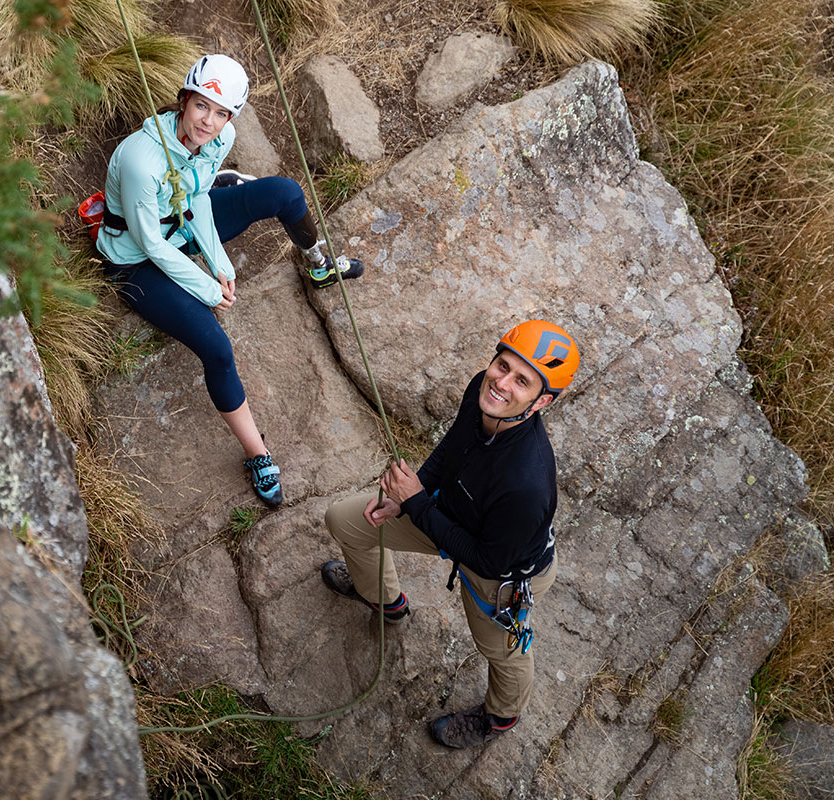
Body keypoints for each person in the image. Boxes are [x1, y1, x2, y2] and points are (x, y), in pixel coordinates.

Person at [96, 54, 363, 505]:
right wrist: (206, 288)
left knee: (285, 192)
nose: (209, 122)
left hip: (180, 220)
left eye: (222, 114)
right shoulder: (142, 160)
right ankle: (258, 454)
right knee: (217, 347)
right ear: (184, 100)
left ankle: (318, 263)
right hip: (134, 259)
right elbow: (149, 246)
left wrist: (219, 263)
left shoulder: (222, 136)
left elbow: (197, 197)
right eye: (202, 106)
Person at [319, 320, 579, 748]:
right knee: (346, 521)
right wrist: (405, 498)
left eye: (521, 380)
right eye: (502, 365)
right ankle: (386, 603)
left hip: (500, 570)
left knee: (502, 651)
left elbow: (487, 560)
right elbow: (450, 448)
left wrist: (418, 503)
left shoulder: (527, 484)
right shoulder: (483, 393)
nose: (501, 383)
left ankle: (501, 717)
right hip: (445, 513)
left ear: (541, 401)